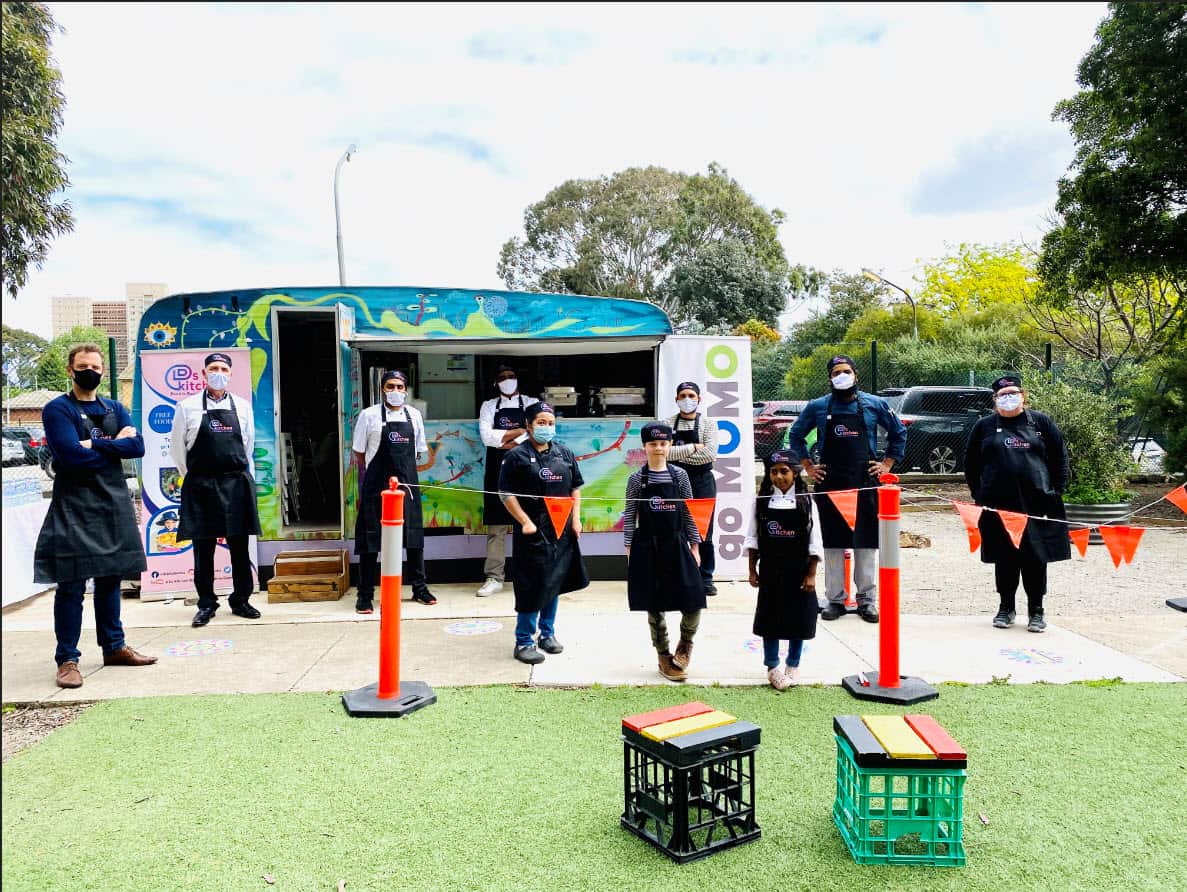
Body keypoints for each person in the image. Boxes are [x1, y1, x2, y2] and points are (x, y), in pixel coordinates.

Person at [34, 343, 156, 689]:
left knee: (111, 579)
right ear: (71, 371)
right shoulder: (58, 410)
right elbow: (69, 457)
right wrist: (113, 444)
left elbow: (138, 448)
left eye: (96, 366)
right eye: (83, 366)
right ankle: (67, 659)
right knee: (71, 584)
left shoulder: (116, 407)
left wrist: (95, 445)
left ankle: (114, 647)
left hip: (112, 501)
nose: (91, 371)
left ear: (103, 371)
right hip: (74, 503)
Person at [786, 355, 906, 624]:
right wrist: (807, 465)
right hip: (830, 483)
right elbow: (795, 435)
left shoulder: (875, 404)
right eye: (836, 372)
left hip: (865, 482)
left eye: (846, 371)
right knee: (832, 543)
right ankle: (835, 599)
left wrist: (887, 463)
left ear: (856, 375)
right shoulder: (817, 407)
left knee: (865, 542)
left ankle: (867, 600)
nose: (842, 376)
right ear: (830, 377)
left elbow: (899, 432)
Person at [964, 375, 1070, 633]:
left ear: (1023, 394)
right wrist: (980, 495)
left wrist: (1056, 492)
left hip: (1036, 503)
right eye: (1003, 394)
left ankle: (1036, 611)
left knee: (1036, 558)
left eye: (1013, 392)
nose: (1008, 397)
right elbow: (970, 464)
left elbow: (1060, 458)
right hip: (997, 505)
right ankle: (1005, 608)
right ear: (995, 399)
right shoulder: (984, 426)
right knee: (1004, 558)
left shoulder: (1041, 423)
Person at [172, 352, 262, 627]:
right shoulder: (186, 407)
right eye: (213, 368)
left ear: (231, 374)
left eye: (223, 368)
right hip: (201, 485)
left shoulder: (243, 406)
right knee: (203, 548)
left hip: (235, 483)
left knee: (239, 546)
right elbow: (178, 451)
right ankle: (206, 603)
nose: (218, 372)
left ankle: (241, 600)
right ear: (203, 374)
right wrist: (198, 478)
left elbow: (247, 447)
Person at [498, 402, 589, 664]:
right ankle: (524, 640)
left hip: (561, 528)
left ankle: (547, 634)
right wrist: (525, 521)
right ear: (528, 425)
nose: (546, 427)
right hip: (532, 530)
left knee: (554, 581)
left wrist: (576, 519)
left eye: (550, 423)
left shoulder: (564, 453)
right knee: (531, 584)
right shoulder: (516, 456)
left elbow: (576, 489)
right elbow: (506, 493)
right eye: (541, 422)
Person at [623, 422, 705, 682]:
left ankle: (685, 646)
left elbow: (690, 512)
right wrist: (629, 547)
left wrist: (695, 545)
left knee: (693, 598)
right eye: (652, 444)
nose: (658, 448)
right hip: (647, 545)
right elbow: (629, 516)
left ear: (670, 445)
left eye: (663, 443)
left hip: (678, 543)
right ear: (644, 446)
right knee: (654, 604)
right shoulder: (636, 479)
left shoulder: (680, 475)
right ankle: (663, 655)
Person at [352, 369, 436, 612]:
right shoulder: (368, 416)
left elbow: (418, 451)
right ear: (382, 390)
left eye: (400, 387)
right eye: (391, 386)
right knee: (370, 539)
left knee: (413, 538)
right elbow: (359, 452)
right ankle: (365, 594)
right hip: (376, 488)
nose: (396, 391)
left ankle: (420, 588)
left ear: (406, 390)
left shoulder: (414, 415)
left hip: (407, 485)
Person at [745, 451, 824, 690]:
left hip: (799, 570)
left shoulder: (808, 502)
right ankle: (772, 667)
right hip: (770, 569)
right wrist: (752, 570)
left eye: (784, 471)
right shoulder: (760, 502)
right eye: (774, 471)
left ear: (795, 473)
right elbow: (752, 538)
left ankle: (793, 663)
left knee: (798, 618)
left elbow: (815, 540)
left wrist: (811, 574)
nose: (779, 477)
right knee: (770, 618)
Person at [476, 363, 537, 597]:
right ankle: (494, 577)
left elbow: (534, 431)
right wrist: (518, 432)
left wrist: (506, 441)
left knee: (529, 523)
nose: (507, 380)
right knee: (496, 527)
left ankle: (529, 574)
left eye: (511, 376)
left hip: (525, 468)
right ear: (495, 382)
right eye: (502, 377)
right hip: (497, 470)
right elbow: (486, 437)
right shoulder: (489, 406)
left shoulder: (531, 403)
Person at [664, 382, 719, 595]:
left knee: (704, 530)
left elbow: (709, 455)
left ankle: (705, 577)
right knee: (675, 528)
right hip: (674, 480)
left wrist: (678, 451)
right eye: (683, 395)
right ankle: (678, 575)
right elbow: (664, 454)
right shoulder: (666, 423)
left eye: (691, 395)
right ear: (676, 399)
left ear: (699, 399)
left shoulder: (709, 424)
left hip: (702, 480)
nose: (687, 399)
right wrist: (695, 447)